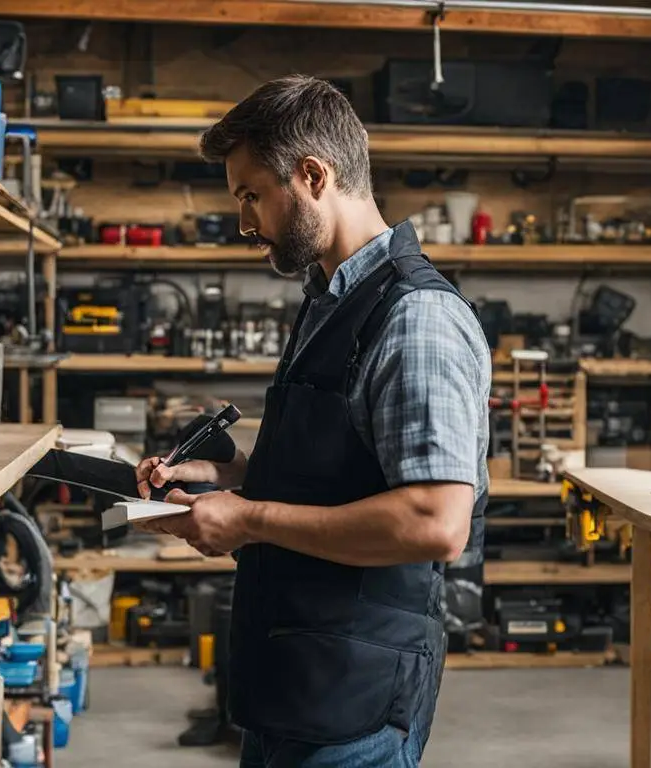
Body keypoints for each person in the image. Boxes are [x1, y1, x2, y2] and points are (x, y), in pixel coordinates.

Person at [133, 75, 491, 767]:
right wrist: (216, 475)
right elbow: (329, 468)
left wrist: (247, 519)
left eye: (249, 196)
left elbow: (435, 523)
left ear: (312, 175)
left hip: (352, 702)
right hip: (293, 680)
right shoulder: (330, 303)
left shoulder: (416, 318)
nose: (243, 223)